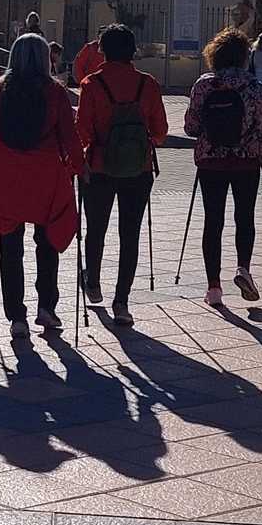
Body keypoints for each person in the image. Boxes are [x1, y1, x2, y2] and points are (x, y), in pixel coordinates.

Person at [0, 34, 81, 336]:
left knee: (10, 245)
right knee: (47, 244)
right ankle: (46, 307)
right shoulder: (55, 92)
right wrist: (78, 167)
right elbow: (69, 136)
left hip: (8, 172)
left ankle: (16, 316)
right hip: (46, 174)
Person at [75, 23, 167, 325]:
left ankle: (93, 282)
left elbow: (82, 132)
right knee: (130, 234)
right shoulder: (148, 84)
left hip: (99, 167)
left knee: (96, 229)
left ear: (102, 49)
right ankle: (122, 302)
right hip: (138, 170)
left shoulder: (92, 84)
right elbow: (161, 132)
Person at [184, 26, 262, 307]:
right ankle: (243, 269)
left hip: (211, 161)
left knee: (213, 221)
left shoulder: (204, 85)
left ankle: (214, 288)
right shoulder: (255, 87)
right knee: (244, 216)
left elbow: (191, 127)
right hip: (247, 161)